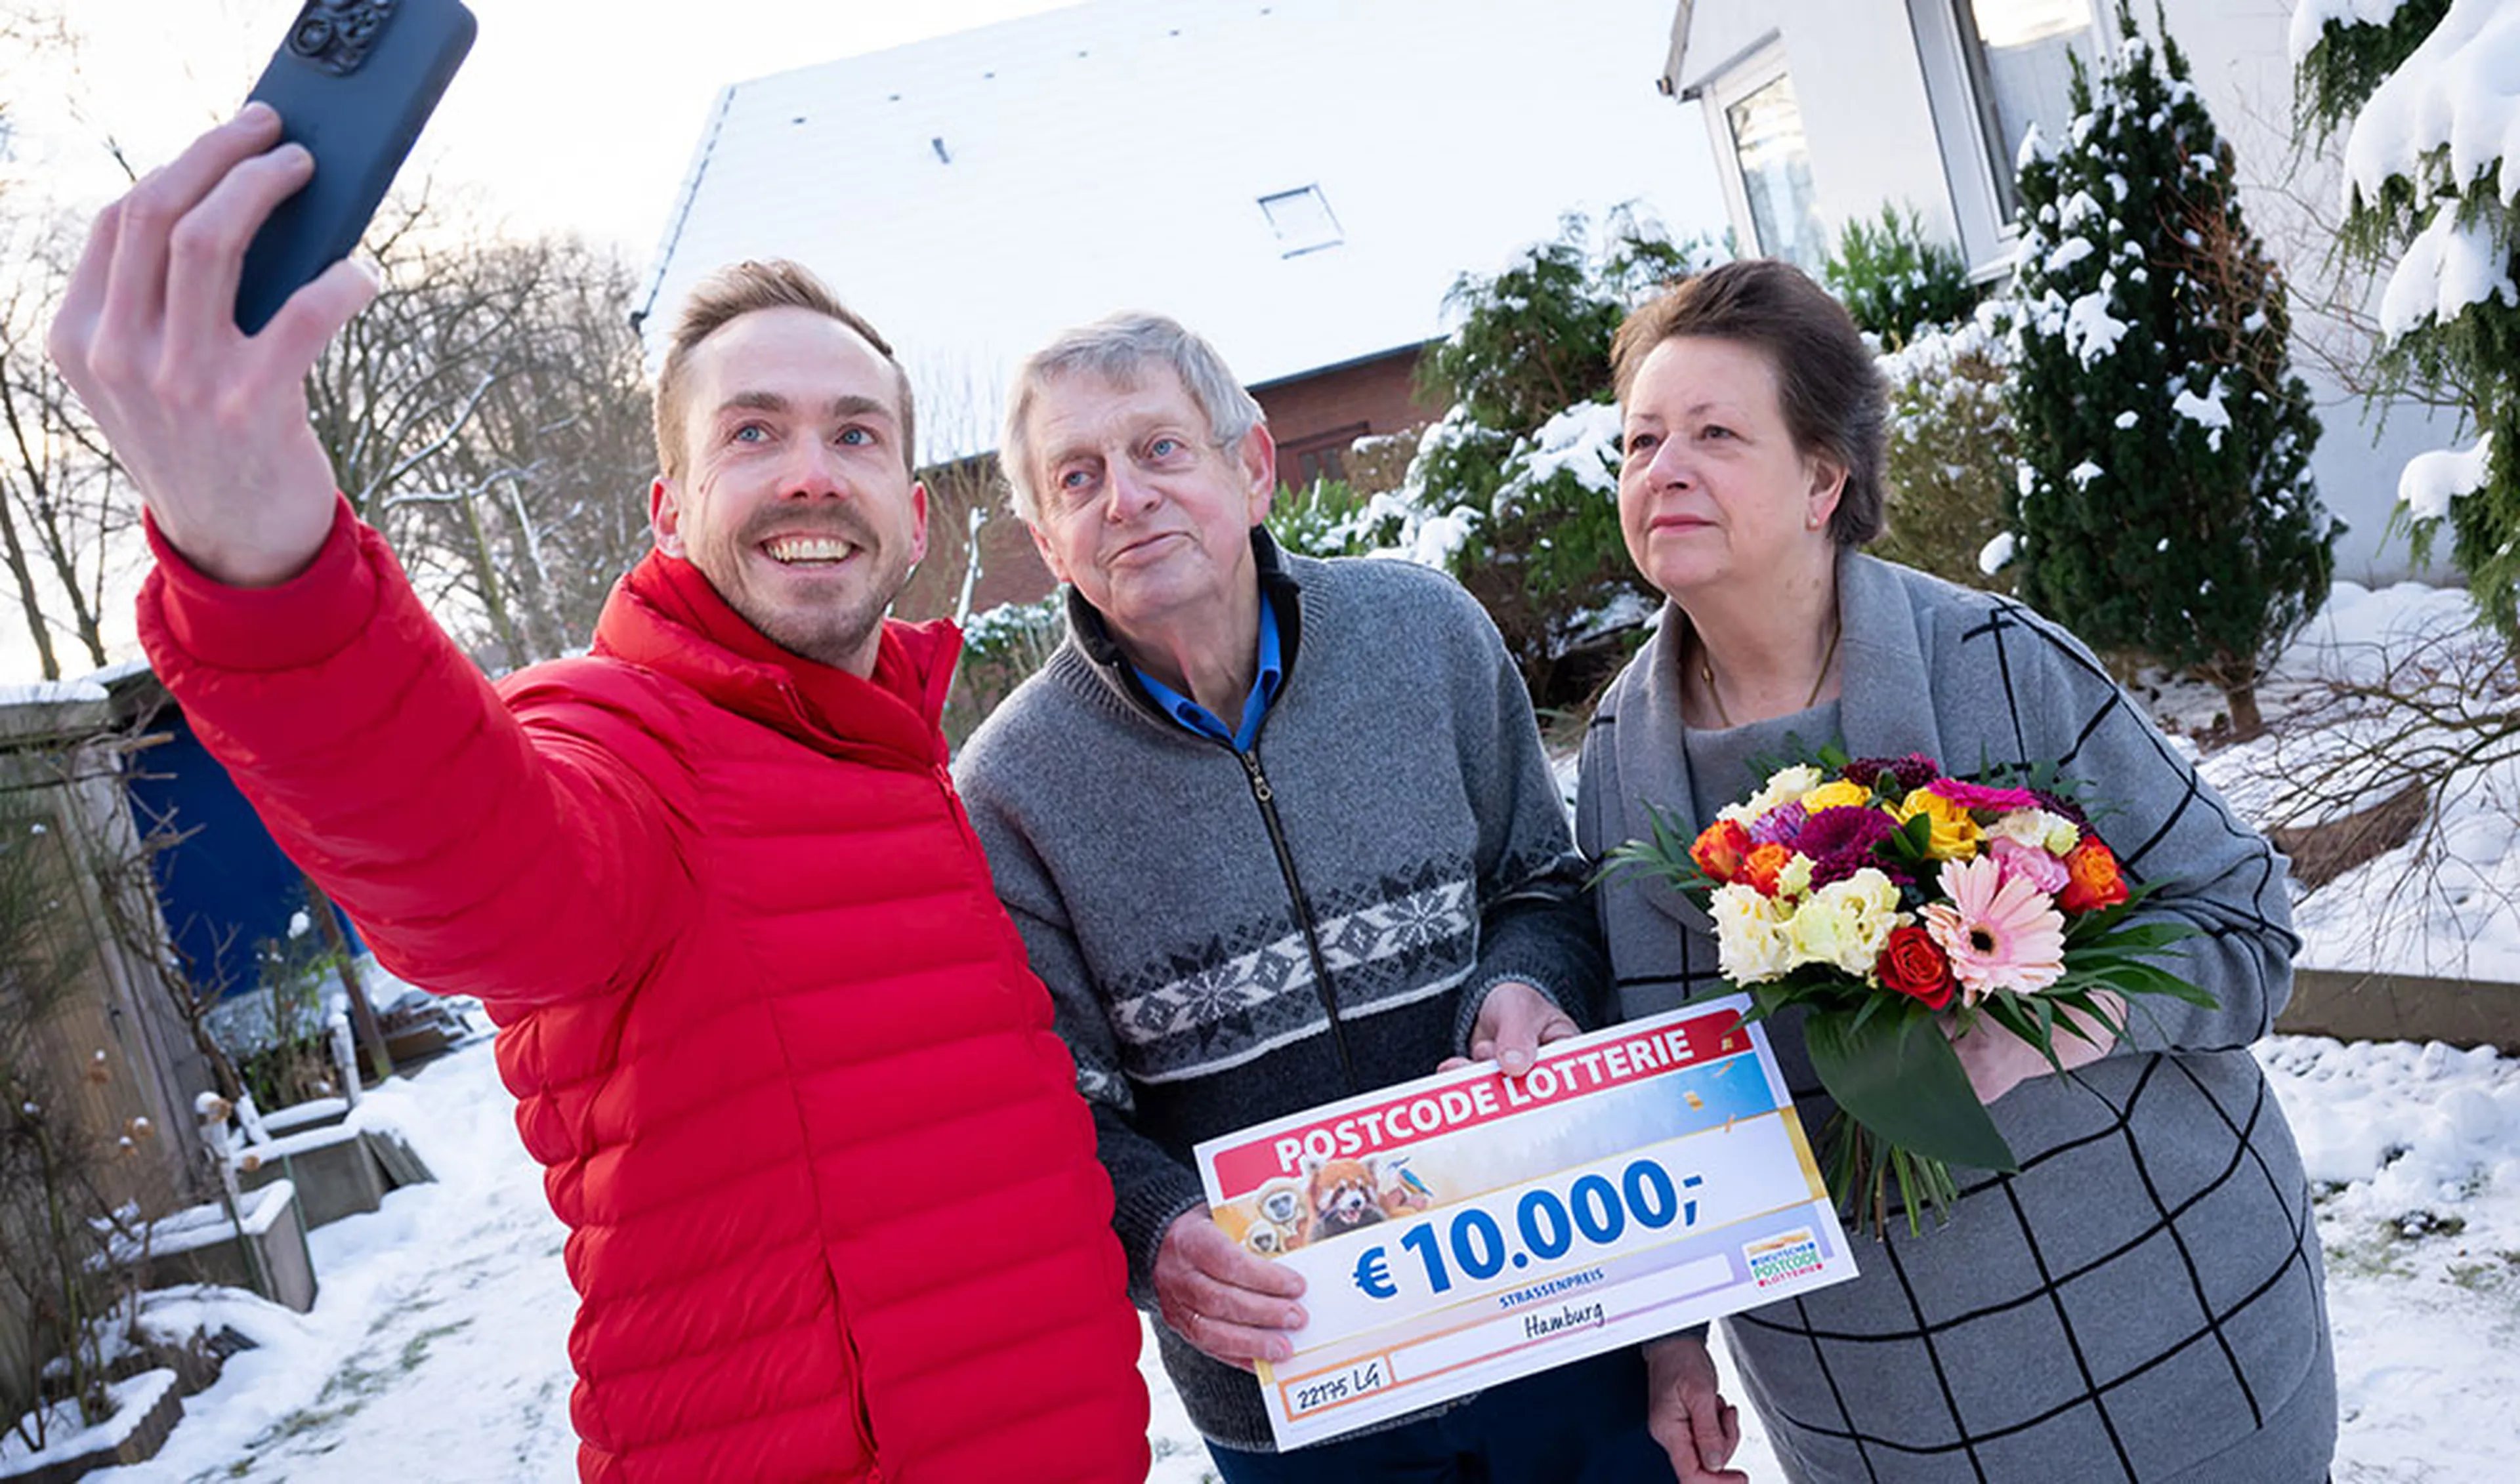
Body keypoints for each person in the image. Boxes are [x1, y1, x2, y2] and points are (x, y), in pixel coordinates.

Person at [49, 105, 1150, 1483]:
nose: (813, 467)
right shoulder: (621, 739)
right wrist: (267, 557)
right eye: (754, 433)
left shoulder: (917, 769)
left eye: (856, 434)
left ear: (913, 514)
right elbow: (479, 868)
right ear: (669, 507)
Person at [1575, 258, 2336, 1483]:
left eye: (1715, 432)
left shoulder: (1996, 660)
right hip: (1872, 1411)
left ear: (1825, 478)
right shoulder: (1621, 756)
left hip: (2174, 1338)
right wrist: (1673, 1346)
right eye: (1640, 440)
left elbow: (2252, 928)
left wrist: (2067, 1016)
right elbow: (1668, 1089)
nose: (1663, 467)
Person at [953, 314, 1660, 1481]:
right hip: (1295, 1399)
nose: (1126, 497)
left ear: (1254, 466)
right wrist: (1152, 1231)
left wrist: (1524, 981)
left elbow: (1542, 881)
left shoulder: (1424, 635)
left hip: (1558, 1316)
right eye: (1080, 476)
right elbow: (1052, 1107)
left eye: (1162, 449)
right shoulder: (1008, 792)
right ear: (1048, 538)